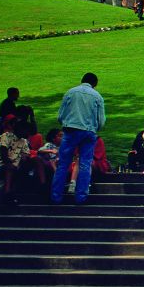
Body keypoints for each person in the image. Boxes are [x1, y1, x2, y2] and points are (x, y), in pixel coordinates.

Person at [50, 73, 105, 206]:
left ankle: (56, 195)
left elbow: (61, 115)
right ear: (95, 84)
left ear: (82, 81)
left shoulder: (71, 92)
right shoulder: (97, 96)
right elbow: (101, 121)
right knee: (85, 164)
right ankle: (81, 196)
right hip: (88, 131)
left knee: (63, 164)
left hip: (71, 129)